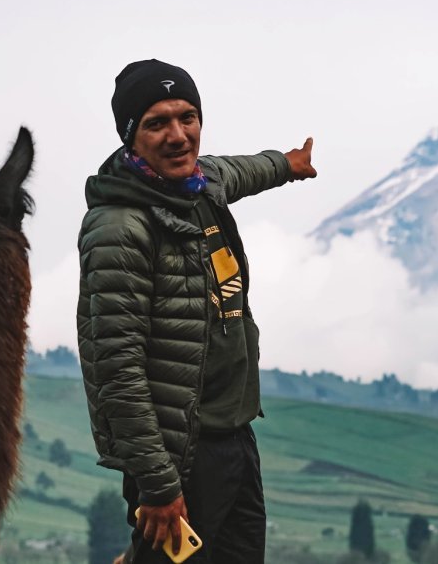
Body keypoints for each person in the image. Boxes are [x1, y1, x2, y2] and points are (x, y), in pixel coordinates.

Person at [77, 59, 317, 563]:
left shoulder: (200, 184)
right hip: (179, 456)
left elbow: (241, 170)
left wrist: (287, 164)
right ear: (131, 137)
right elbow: (117, 370)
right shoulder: (120, 229)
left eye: (188, 117)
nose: (178, 135)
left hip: (235, 437)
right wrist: (158, 484)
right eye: (156, 123)